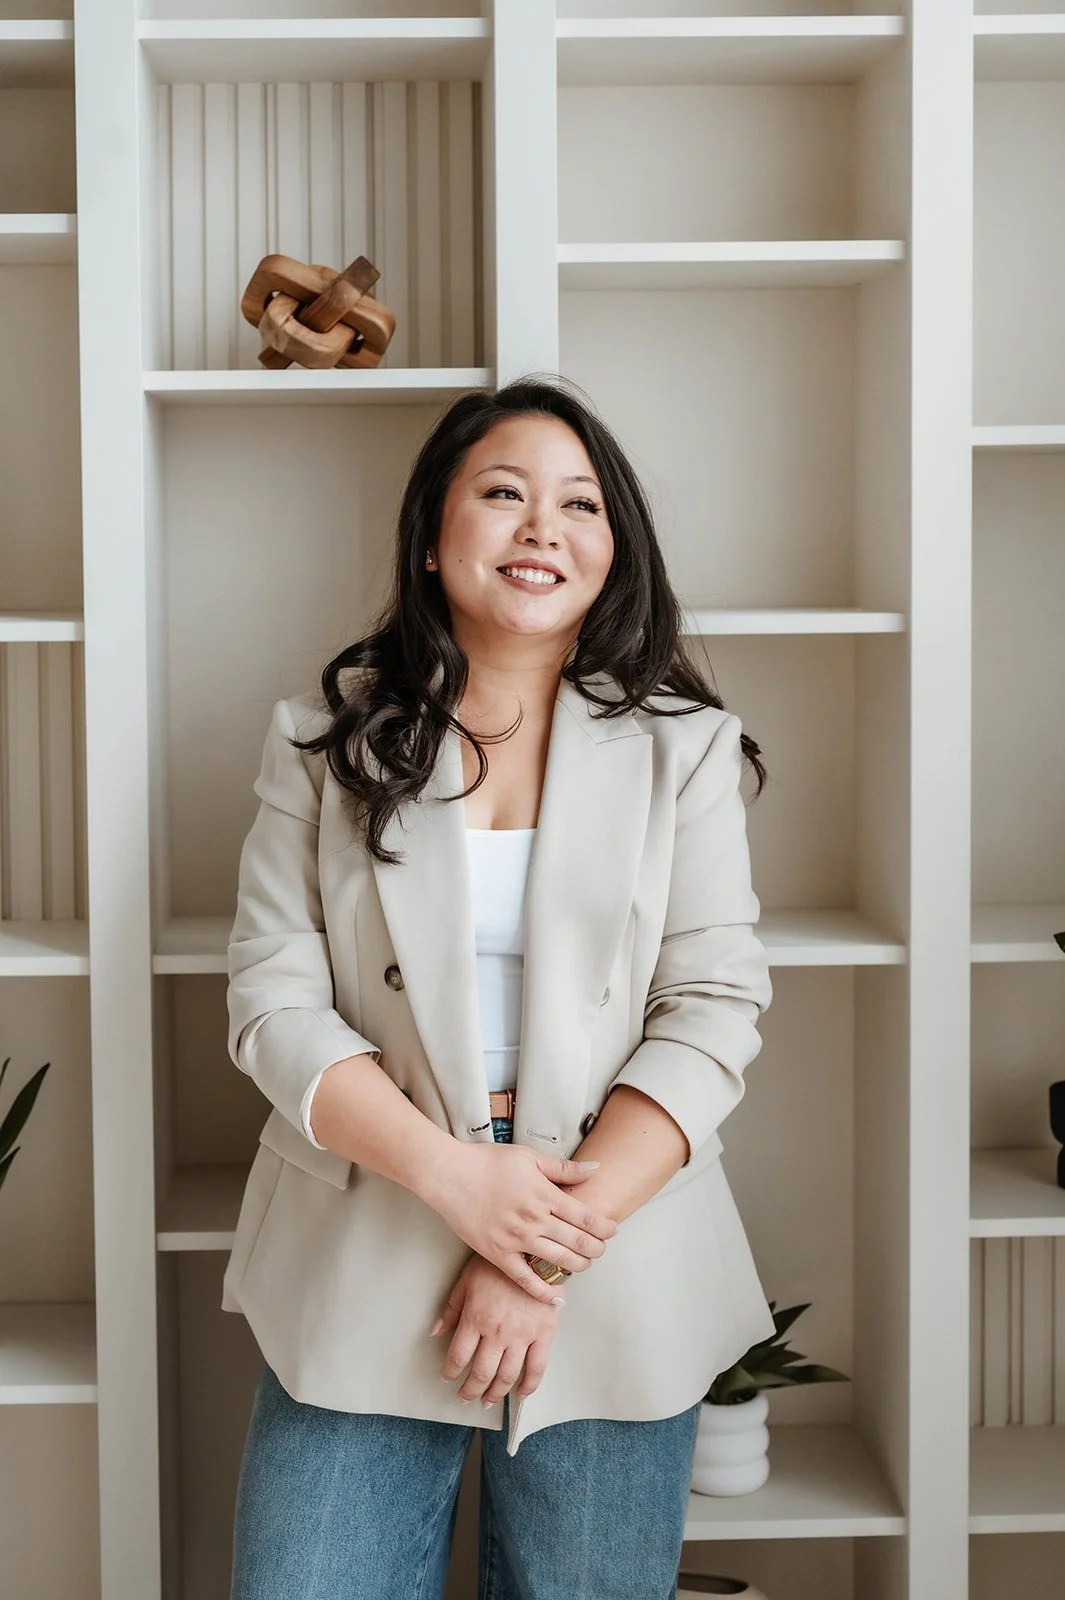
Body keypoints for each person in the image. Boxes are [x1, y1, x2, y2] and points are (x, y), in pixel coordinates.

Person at [223, 375, 775, 1600]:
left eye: (581, 504)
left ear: (613, 550)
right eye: (504, 493)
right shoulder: (323, 739)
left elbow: (713, 1008)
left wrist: (537, 1254)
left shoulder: (684, 748)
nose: (543, 528)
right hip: (372, 1223)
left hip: (614, 1246)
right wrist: (459, 1181)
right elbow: (271, 1002)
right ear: (434, 534)